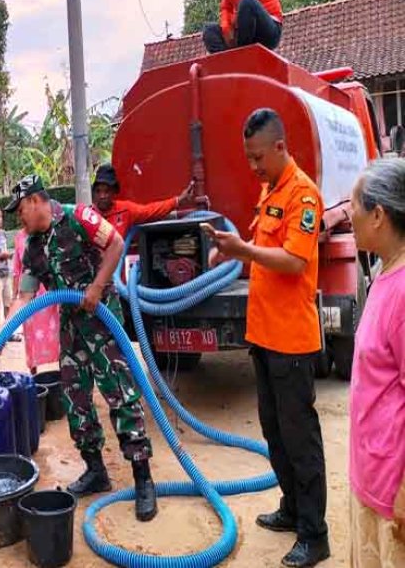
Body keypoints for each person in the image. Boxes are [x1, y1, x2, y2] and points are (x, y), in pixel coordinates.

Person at [209, 108, 329, 567]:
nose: (253, 166)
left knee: (301, 441)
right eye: (249, 158)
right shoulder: (271, 190)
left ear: (280, 147)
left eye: (259, 157)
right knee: (275, 433)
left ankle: (315, 536)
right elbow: (264, 257)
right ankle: (292, 509)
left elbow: (295, 262)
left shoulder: (304, 196)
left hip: (292, 343)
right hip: (263, 335)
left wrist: (242, 249)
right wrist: (233, 254)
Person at [3, 175, 158, 521]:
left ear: (34, 201)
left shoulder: (79, 217)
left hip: (103, 322)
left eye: (20, 211)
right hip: (71, 330)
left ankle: (143, 478)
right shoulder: (32, 245)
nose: (19, 219)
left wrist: (97, 286)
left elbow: (116, 244)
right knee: (75, 399)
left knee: (121, 396)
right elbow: (25, 296)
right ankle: (95, 470)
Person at [348, 159, 405, 567]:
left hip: (393, 494)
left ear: (379, 215)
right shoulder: (384, 277)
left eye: (354, 205)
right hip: (372, 478)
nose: (349, 214)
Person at [91, 163, 196, 237]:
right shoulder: (87, 215)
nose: (102, 196)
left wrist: (178, 201)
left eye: (107, 191)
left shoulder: (125, 210)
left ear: (114, 192)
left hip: (118, 266)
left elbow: (150, 211)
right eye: (98, 191)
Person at [12, 226, 59, 374]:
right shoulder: (19, 237)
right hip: (28, 293)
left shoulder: (47, 232)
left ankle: (61, 371)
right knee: (31, 334)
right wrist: (15, 295)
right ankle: (34, 375)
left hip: (47, 292)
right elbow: (17, 269)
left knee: (55, 333)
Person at [0, 208, 15, 333]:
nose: (0, 219)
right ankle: (1, 334)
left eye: (1, 216)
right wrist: (0, 256)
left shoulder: (3, 234)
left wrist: (8, 256)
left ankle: (8, 331)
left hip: (6, 273)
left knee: (8, 303)